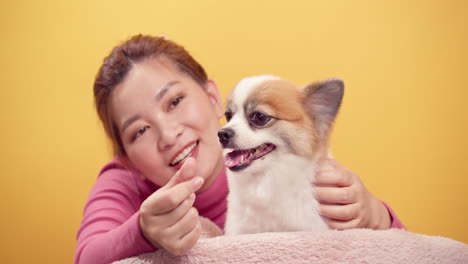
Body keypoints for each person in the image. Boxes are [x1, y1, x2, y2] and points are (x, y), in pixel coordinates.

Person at [75, 34, 404, 264]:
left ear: (213, 98)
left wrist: (374, 216)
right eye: (140, 130)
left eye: (175, 101)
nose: (168, 134)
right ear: (126, 159)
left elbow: (405, 251)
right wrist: (143, 231)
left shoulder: (286, 162)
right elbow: (87, 258)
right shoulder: (123, 183)